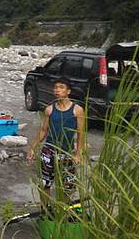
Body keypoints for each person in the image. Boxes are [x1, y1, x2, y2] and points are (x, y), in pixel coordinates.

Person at [26, 77, 85, 205]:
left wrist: (78, 154)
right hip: (49, 150)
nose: (57, 90)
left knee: (68, 186)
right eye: (56, 87)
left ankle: (63, 212)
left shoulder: (77, 110)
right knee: (45, 183)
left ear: (68, 91)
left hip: (67, 151)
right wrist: (33, 147)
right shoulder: (50, 109)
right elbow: (43, 130)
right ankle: (45, 210)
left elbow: (81, 134)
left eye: (61, 88)